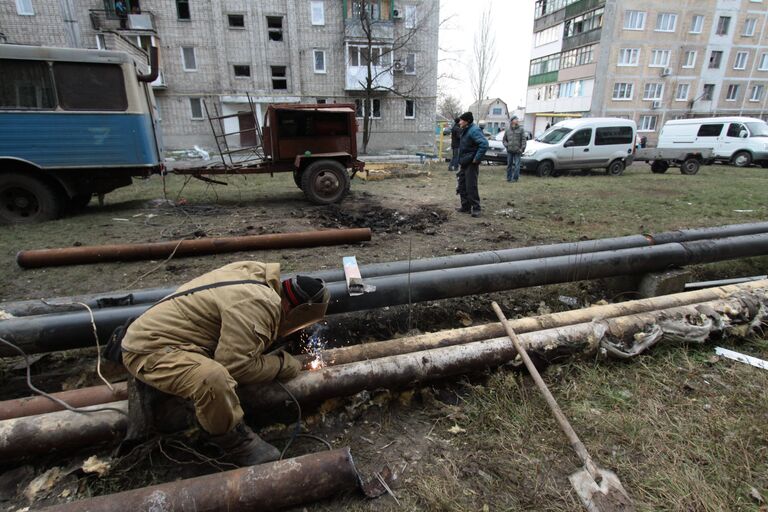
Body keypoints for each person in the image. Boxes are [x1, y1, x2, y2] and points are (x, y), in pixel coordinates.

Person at [120, 261, 330, 466]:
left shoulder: (256, 275)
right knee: (214, 378)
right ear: (295, 310)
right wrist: (284, 365)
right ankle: (232, 440)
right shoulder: (259, 304)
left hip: (169, 335)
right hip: (149, 349)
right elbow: (236, 366)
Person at [455, 111, 488, 218]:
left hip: (471, 163)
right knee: (462, 184)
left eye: (461, 120)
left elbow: (484, 144)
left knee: (471, 186)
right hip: (464, 162)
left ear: (467, 121)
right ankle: (465, 207)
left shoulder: (474, 130)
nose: (459, 122)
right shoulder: (466, 130)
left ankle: (476, 208)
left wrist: (476, 159)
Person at [502, 116, 527, 183]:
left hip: (517, 150)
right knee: (509, 165)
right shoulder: (507, 130)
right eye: (516, 119)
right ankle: (508, 178)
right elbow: (504, 140)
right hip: (510, 150)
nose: (517, 120)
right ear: (512, 121)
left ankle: (515, 179)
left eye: (517, 119)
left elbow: (524, 140)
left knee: (517, 165)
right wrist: (507, 145)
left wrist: (522, 149)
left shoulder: (521, 129)